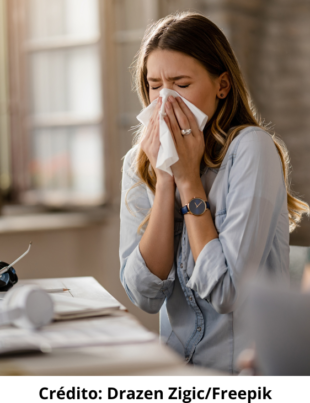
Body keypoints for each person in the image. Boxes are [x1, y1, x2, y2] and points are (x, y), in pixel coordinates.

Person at [119, 12, 309, 373]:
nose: (166, 101)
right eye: (155, 85)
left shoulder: (252, 151)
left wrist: (189, 180)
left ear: (222, 85)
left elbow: (227, 293)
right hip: (176, 366)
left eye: (181, 84)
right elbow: (144, 294)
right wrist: (165, 179)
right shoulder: (139, 161)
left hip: (240, 367)